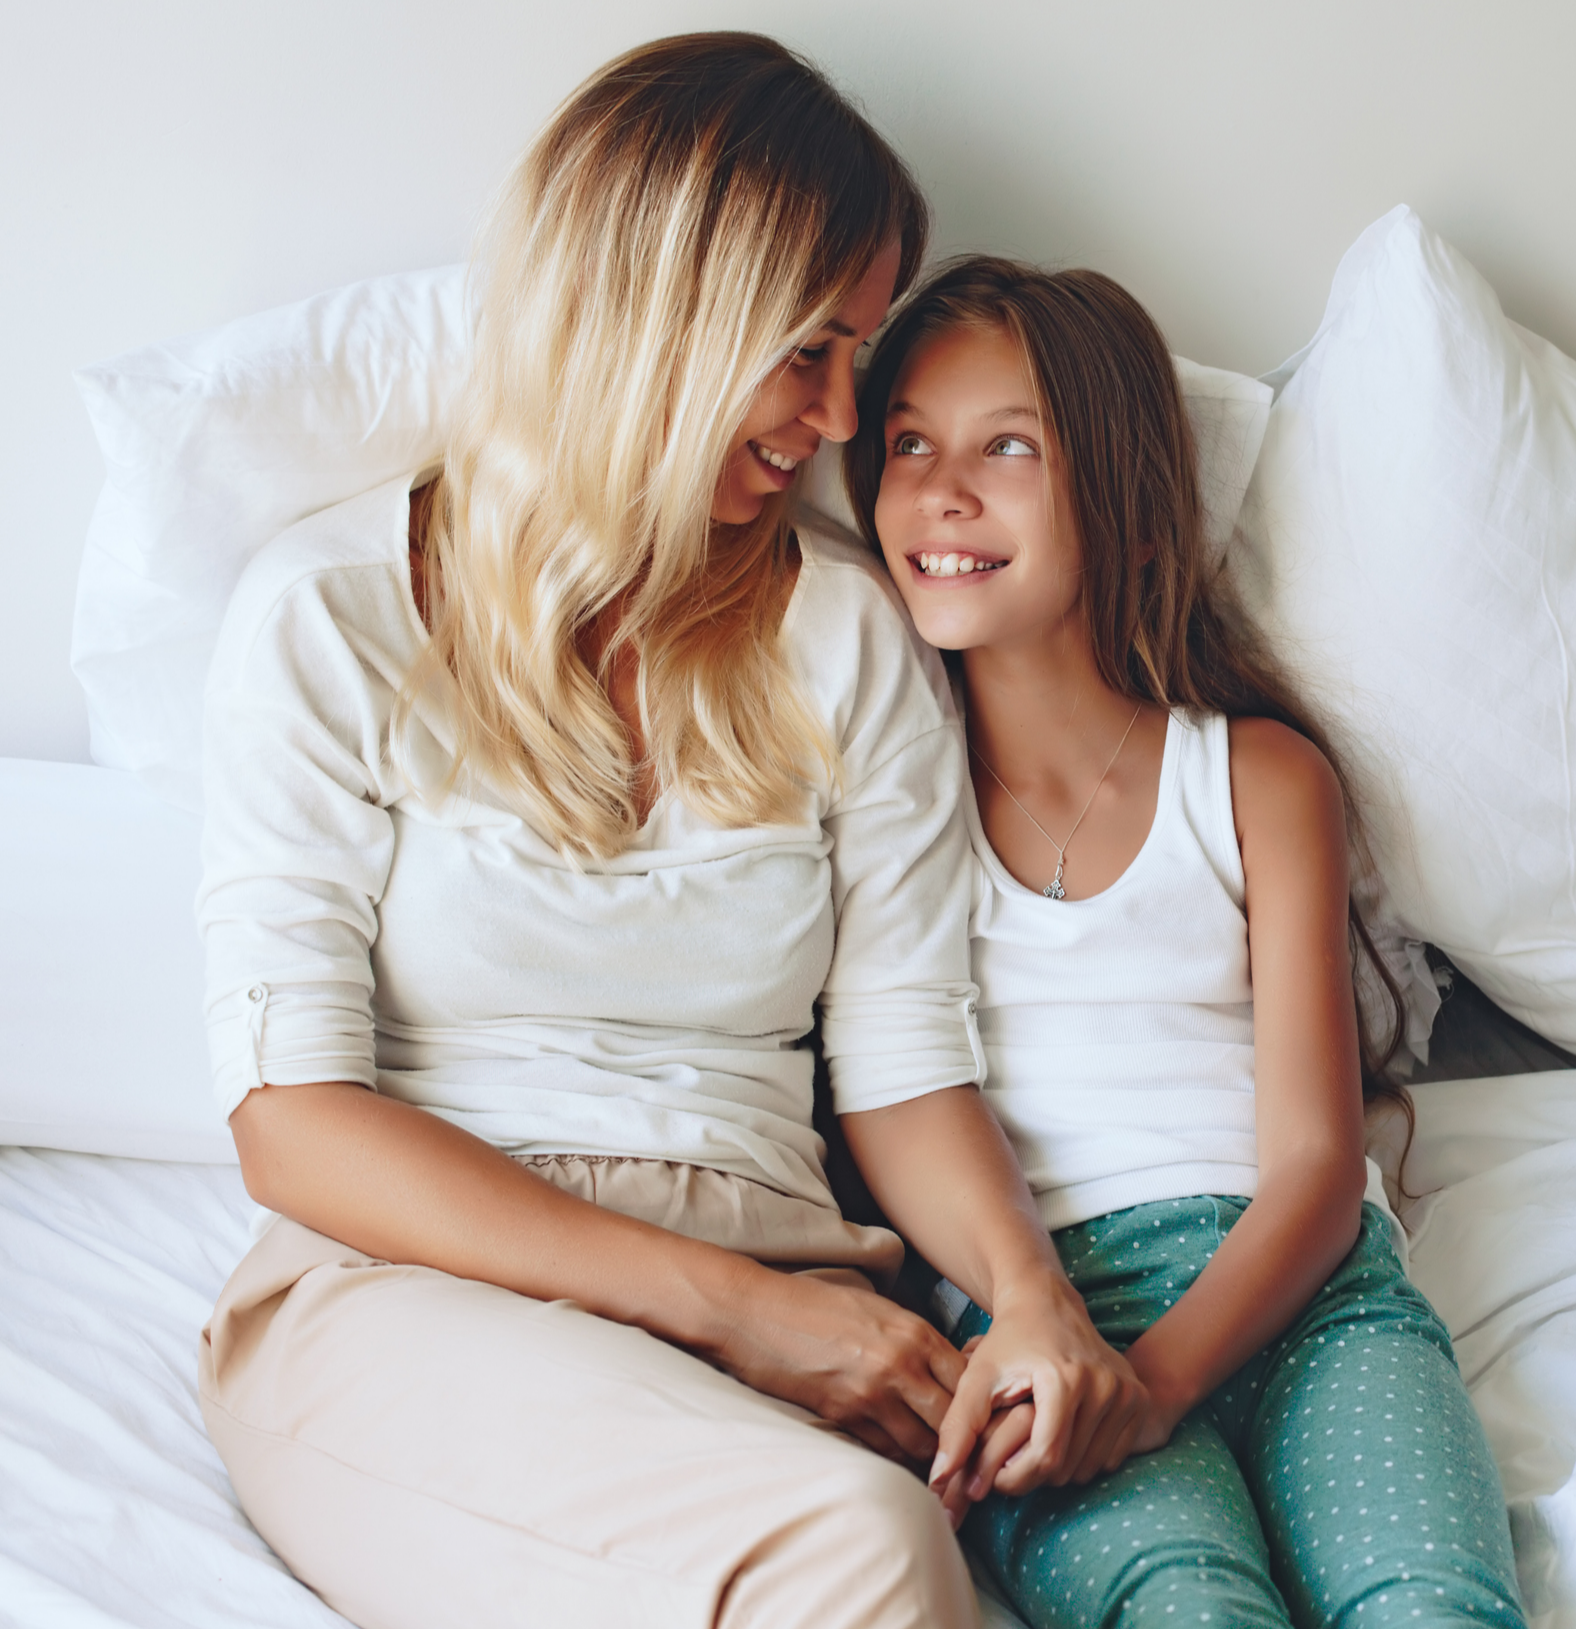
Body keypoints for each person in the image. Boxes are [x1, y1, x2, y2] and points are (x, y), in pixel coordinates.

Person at [195, 37, 1143, 1629]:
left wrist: (1033, 1300)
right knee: (855, 1555)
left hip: (798, 1281)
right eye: (807, 351)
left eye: (859, 358)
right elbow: (293, 1120)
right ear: (657, 314)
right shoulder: (332, 618)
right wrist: (740, 1316)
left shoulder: (846, 635)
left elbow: (904, 1063)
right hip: (418, 1291)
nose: (842, 417)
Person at [845, 257, 1529, 1627]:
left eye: (1010, 447)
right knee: (1187, 1606)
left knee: (1430, 1603)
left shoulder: (1259, 780)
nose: (942, 488)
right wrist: (1073, 1353)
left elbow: (1319, 1168)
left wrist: (1158, 1386)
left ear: (1131, 509)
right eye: (909, 442)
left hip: (1308, 1295)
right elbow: (886, 1092)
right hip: (1038, 1309)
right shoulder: (876, 800)